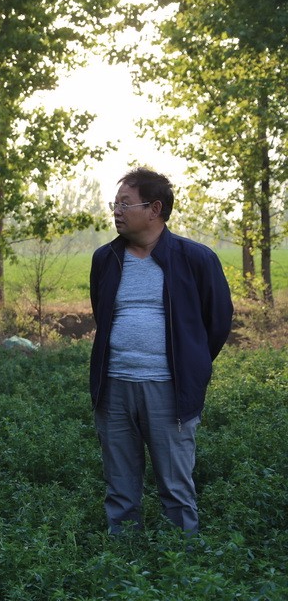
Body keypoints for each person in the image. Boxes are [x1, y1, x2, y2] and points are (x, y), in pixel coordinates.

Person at [90, 167, 233, 536]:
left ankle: (181, 567)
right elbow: (102, 314)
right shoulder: (105, 259)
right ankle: (122, 562)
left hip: (169, 389)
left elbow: (215, 324)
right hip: (115, 386)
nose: (116, 211)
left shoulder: (196, 259)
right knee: (120, 486)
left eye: (125, 203)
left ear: (155, 209)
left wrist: (190, 365)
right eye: (114, 204)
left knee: (175, 486)